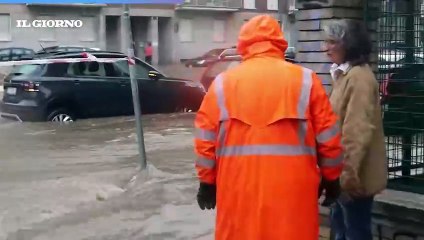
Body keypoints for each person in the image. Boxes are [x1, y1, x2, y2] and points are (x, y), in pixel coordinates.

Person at [193, 15, 345, 240]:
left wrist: (207, 182)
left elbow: (205, 139)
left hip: (237, 189)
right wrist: (332, 178)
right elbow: (329, 138)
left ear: (244, 44)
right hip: (293, 193)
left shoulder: (223, 84)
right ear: (280, 43)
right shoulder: (305, 81)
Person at [322, 19, 388, 240]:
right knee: (343, 233)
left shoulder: (358, 78)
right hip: (343, 178)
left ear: (348, 45)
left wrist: (346, 180)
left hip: (352, 180)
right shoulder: (345, 76)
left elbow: (356, 133)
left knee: (353, 234)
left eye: (332, 42)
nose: (326, 48)